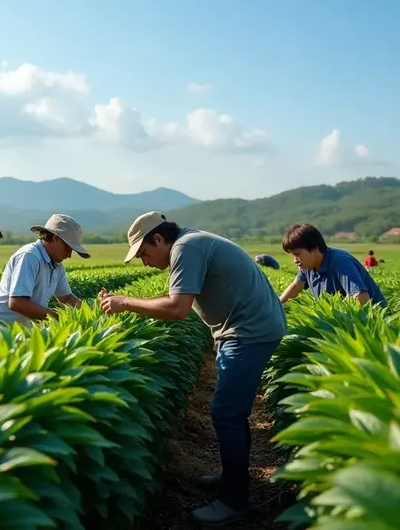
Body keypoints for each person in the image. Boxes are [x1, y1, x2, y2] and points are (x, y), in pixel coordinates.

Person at [98, 212, 287, 525]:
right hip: (249, 329)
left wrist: (127, 302)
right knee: (232, 412)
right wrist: (126, 300)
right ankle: (232, 478)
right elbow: (178, 296)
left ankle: (234, 500)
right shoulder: (192, 241)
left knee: (226, 413)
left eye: (144, 253)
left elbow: (177, 308)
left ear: (158, 239)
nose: (144, 262)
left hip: (249, 332)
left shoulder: (187, 247)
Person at [0, 214, 88, 335]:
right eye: (68, 248)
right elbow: (17, 302)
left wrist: (90, 312)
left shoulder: (57, 265)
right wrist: (57, 316)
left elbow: (66, 298)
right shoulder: (29, 256)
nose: (69, 255)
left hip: (20, 329)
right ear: (57, 239)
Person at [278, 224, 386, 307]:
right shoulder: (307, 266)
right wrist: (277, 306)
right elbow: (296, 286)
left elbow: (361, 298)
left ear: (315, 248)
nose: (295, 260)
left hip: (373, 322)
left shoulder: (340, 261)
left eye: (297, 254)